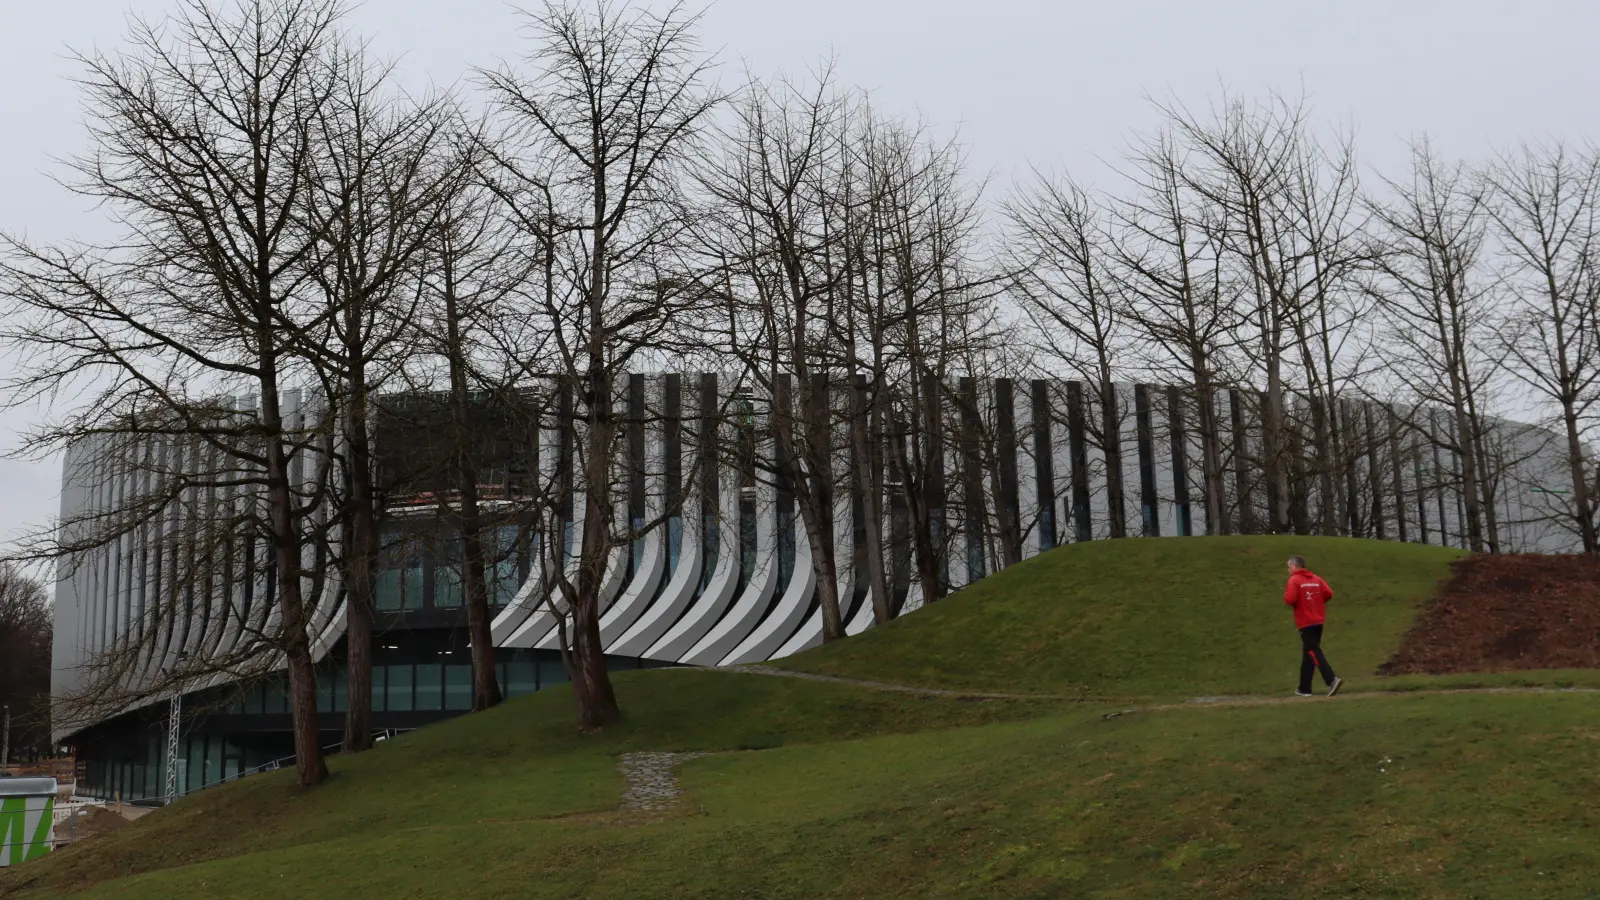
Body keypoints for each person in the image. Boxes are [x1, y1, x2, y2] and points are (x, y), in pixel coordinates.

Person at [1284, 555, 1342, 697]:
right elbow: (1328, 593)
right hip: (1318, 620)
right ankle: (1304, 688)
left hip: (1305, 622)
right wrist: (1317, 602)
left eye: (1289, 567)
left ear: (1295, 566)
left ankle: (1331, 680)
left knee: (1314, 651)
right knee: (1308, 653)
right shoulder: (1317, 579)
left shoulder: (1294, 580)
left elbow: (1289, 599)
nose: (1288, 570)